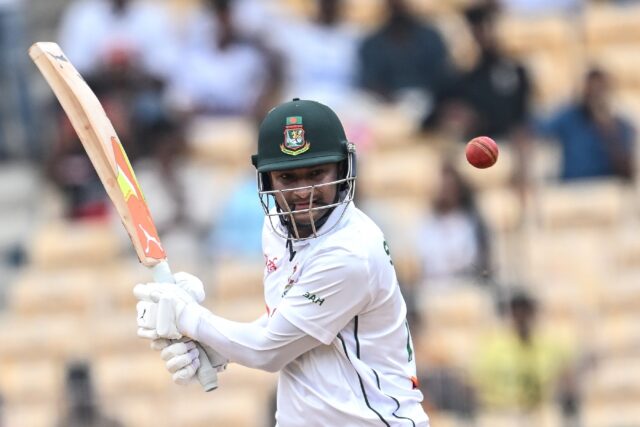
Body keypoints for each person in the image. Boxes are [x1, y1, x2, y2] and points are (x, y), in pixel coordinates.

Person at [134, 98, 429, 426]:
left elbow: (268, 351)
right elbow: (284, 321)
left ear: (343, 170)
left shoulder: (350, 254)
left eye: (316, 173)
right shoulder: (275, 227)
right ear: (268, 180)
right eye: (288, 177)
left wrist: (189, 318)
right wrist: (218, 346)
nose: (303, 192)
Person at [537, 67, 635, 181]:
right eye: (591, 89)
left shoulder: (622, 126)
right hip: (572, 189)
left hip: (605, 190)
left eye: (600, 90)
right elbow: (537, 130)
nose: (596, 95)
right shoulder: (568, 117)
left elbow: (627, 172)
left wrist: (608, 130)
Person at [56, 361, 123, 427]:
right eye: (75, 386)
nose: (80, 392)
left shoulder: (111, 423)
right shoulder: (62, 424)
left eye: (83, 385)